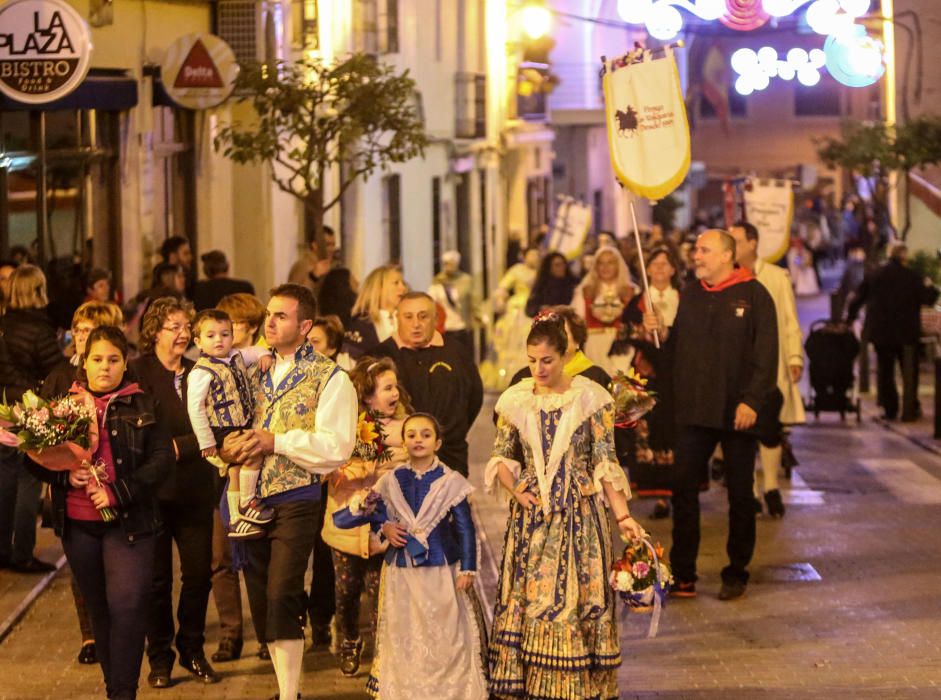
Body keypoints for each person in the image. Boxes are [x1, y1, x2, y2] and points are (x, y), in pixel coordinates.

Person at [487, 313, 643, 699]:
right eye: (532, 360)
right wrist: (517, 491)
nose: (539, 368)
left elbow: (606, 462)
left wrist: (622, 515)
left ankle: (578, 688)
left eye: (547, 360)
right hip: (533, 519)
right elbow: (502, 456)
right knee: (531, 599)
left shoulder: (591, 398)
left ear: (564, 355)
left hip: (579, 517)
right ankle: (535, 686)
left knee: (577, 598)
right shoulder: (516, 399)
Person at [222, 284, 357, 700]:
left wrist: (276, 442)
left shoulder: (330, 377)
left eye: (282, 315)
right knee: (263, 597)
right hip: (249, 499)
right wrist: (228, 447)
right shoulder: (252, 371)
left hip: (297, 496)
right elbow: (229, 423)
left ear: (306, 325)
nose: (271, 321)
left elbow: (336, 447)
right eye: (270, 314)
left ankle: (289, 692)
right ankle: (286, 689)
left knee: (283, 591)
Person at [29, 326, 173, 700]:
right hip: (78, 524)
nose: (104, 367)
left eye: (113, 360)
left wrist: (118, 492)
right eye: (97, 360)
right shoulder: (64, 404)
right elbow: (32, 459)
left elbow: (161, 460)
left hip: (131, 522)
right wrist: (64, 474)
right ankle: (116, 689)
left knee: (128, 605)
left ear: (125, 364)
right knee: (100, 610)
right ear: (84, 362)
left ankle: (123, 693)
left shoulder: (143, 401)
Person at [644, 229, 778, 601]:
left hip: (738, 413)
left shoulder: (754, 295)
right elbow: (676, 354)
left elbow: (767, 356)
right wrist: (660, 335)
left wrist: (752, 400)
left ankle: (737, 570)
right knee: (683, 489)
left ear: (726, 255)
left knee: (739, 494)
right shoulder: (691, 294)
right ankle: (683, 573)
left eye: (704, 250)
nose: (696, 256)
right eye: (696, 250)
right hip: (695, 411)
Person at [334, 413, 488, 700]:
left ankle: (448, 688)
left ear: (438, 443)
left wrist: (468, 568)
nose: (419, 440)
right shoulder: (390, 480)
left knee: (445, 630)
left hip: (441, 571)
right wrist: (386, 527)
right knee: (405, 629)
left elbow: (466, 528)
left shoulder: (451, 482)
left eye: (426, 435)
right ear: (403, 442)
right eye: (412, 435)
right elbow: (375, 516)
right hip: (401, 572)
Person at [131, 297, 220, 688]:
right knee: (156, 581)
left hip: (196, 489)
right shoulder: (138, 373)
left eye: (187, 327)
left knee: (199, 574)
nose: (184, 334)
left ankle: (193, 647)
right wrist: (185, 445)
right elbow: (140, 430)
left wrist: (188, 445)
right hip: (153, 493)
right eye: (175, 327)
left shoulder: (202, 371)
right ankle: (160, 658)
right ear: (154, 331)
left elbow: (219, 423)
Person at [41, 300, 124, 665]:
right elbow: (41, 436)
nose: (82, 337)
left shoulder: (120, 378)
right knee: (81, 568)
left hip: (113, 493)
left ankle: (118, 628)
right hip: (70, 492)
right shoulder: (60, 376)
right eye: (79, 329)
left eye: (91, 330)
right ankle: (90, 634)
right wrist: (60, 471)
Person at [322, 356, 410, 676]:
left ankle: (381, 652)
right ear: (367, 395)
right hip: (347, 526)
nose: (395, 392)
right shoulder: (345, 428)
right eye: (387, 388)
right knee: (345, 591)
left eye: (395, 386)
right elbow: (326, 466)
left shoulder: (405, 430)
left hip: (382, 529)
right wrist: (347, 469)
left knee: (379, 593)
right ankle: (349, 638)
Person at [730, 222, 805, 518]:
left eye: (736, 240)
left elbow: (789, 318)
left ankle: (771, 486)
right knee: (740, 431)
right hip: (737, 367)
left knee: (769, 428)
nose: (732, 247)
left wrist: (795, 357)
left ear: (752, 243)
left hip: (769, 364)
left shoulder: (775, 276)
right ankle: (748, 491)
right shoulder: (729, 278)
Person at [209, 293, 267, 663]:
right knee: (221, 556)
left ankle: (267, 634)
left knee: (259, 555)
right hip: (219, 470)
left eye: (231, 328)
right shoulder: (208, 367)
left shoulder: (263, 364)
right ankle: (230, 633)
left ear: (250, 328)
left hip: (259, 469)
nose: (222, 335)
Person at [186, 309, 274, 540]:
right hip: (221, 427)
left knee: (236, 469)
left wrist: (265, 354)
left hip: (240, 421)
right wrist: (206, 442)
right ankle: (246, 503)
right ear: (198, 341)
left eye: (225, 334)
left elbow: (254, 351)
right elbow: (195, 409)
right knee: (252, 452)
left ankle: (236, 520)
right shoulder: (201, 372)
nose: (219, 340)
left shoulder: (235, 356)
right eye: (211, 335)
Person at [374, 292, 483, 477]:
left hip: (451, 459)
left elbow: (474, 398)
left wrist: (452, 434)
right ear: (396, 318)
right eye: (408, 317)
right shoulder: (380, 356)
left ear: (436, 318)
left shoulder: (456, 352)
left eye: (423, 316)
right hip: (398, 464)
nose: (416, 324)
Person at [0, 264, 64, 573]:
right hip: (29, 408)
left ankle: (2, 548)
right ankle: (23, 551)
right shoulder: (39, 329)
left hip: (3, 409)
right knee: (28, 479)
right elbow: (54, 369)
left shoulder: (3, 325)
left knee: (5, 478)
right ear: (38, 291)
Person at [617, 246, 681, 519]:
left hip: (675, 376)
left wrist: (667, 333)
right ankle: (654, 491)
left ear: (673, 269)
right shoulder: (639, 302)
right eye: (654, 264)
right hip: (647, 375)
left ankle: (675, 491)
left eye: (664, 264)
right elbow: (624, 331)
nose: (659, 269)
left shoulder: (683, 298)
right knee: (645, 430)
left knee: (672, 431)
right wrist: (644, 329)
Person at [848, 243, 940, 422]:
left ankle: (890, 409)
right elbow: (930, 298)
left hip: (882, 332)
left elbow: (858, 299)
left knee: (885, 371)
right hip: (907, 333)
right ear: (904, 257)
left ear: (889, 255)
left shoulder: (875, 274)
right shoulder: (912, 277)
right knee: (909, 371)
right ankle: (911, 407)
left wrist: (849, 319)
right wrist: (929, 285)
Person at [572, 245, 636, 375]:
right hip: (595, 344)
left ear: (618, 265)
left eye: (610, 263)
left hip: (622, 346)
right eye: (601, 263)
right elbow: (576, 321)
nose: (605, 267)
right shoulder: (585, 290)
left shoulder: (631, 290)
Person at [489, 247, 540, 390]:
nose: (534, 258)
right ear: (524, 256)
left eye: (536, 255)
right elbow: (502, 287)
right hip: (518, 309)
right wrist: (501, 299)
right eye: (532, 255)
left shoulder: (541, 271)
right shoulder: (516, 270)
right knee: (514, 342)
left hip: (535, 307)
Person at [342, 265, 408, 363]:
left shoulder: (409, 321)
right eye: (396, 283)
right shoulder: (360, 324)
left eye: (403, 283)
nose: (403, 288)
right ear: (378, 288)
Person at [427, 250, 481, 350]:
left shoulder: (466, 280)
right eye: (446, 264)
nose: (448, 267)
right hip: (444, 328)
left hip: (461, 326)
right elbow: (431, 300)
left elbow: (474, 301)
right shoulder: (438, 281)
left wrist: (478, 315)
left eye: (451, 263)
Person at [524, 251, 577, 317]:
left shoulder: (573, 284)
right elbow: (530, 309)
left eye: (564, 264)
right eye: (557, 265)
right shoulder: (541, 286)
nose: (562, 267)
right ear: (549, 268)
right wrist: (542, 308)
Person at [288, 226, 340, 292]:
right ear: (315, 245)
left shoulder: (331, 264)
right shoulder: (303, 266)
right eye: (327, 245)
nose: (332, 249)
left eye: (333, 245)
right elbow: (297, 295)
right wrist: (313, 276)